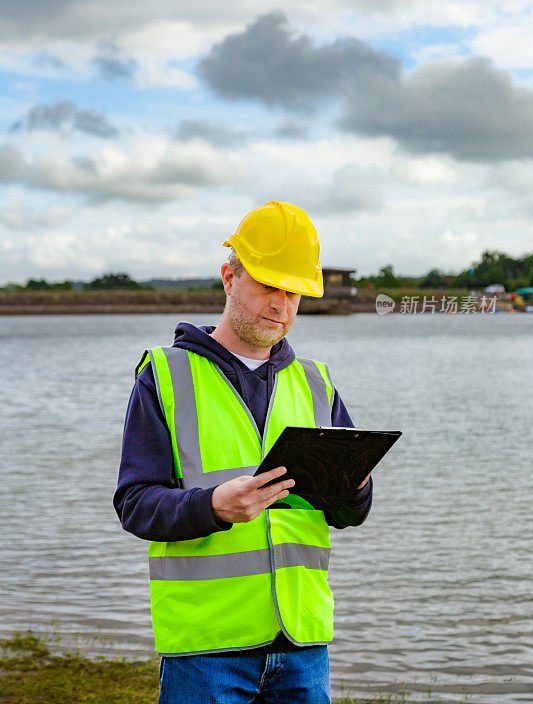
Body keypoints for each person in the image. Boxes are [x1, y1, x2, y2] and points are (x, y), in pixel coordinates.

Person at [114, 201, 373, 704]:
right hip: (207, 649)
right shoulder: (166, 376)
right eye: (269, 285)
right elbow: (135, 503)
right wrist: (210, 507)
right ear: (229, 278)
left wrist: (356, 487)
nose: (282, 304)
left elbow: (348, 514)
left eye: (294, 291)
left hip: (303, 645)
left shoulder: (317, 383)